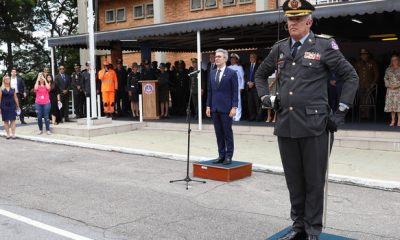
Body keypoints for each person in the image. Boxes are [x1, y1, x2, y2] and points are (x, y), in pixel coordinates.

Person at [254, 0, 358, 239]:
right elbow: (260, 75)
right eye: (290, 19)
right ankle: (298, 225)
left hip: (315, 126)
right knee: (294, 181)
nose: (293, 23)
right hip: (286, 124)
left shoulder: (323, 46)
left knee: (313, 182)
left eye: (298, 19)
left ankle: (313, 229)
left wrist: (340, 112)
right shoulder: (280, 48)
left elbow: (351, 77)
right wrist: (266, 98)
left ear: (309, 21)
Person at [206, 49, 238, 165]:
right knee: (218, 133)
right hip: (215, 108)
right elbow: (210, 91)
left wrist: (234, 107)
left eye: (219, 56)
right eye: (216, 57)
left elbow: (235, 92)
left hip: (226, 108)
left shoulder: (231, 73)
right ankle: (221, 155)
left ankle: (228, 156)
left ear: (225, 58)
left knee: (227, 133)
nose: (216, 58)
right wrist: (208, 106)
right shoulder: (212, 73)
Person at [354, 48, 379, 119]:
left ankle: (367, 115)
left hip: (369, 85)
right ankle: (362, 114)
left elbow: (376, 74)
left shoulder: (372, 63)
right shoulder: (357, 63)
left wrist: (373, 83)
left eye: (365, 54)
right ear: (360, 56)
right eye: (362, 54)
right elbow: (354, 74)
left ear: (368, 55)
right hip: (360, 84)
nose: (364, 56)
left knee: (368, 99)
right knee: (361, 98)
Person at [0, 75, 21, 139]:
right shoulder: (1, 89)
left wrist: (18, 106)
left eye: (8, 79)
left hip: (12, 106)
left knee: (13, 120)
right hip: (4, 106)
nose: (7, 80)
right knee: (6, 121)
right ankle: (8, 134)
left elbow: (15, 98)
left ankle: (13, 134)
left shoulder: (13, 88)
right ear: (4, 80)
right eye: (6, 79)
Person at [384, 54, 400, 127]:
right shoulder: (388, 69)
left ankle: (399, 121)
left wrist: (397, 85)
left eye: (396, 59)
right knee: (392, 106)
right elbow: (385, 78)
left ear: (398, 60)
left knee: (398, 106)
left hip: (398, 89)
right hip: (390, 89)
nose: (394, 61)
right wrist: (389, 85)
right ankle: (393, 120)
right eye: (393, 60)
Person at [228, 53, 245, 121]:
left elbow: (242, 78)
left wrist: (241, 87)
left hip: (237, 87)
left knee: (237, 102)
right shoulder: (228, 68)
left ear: (236, 60)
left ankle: (237, 117)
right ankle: (231, 116)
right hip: (229, 88)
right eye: (231, 59)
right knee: (230, 102)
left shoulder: (239, 68)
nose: (232, 60)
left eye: (233, 59)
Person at [245, 53, 261, 121]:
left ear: (255, 58)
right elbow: (245, 76)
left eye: (252, 57)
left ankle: (258, 117)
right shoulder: (247, 66)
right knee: (250, 103)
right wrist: (248, 82)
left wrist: (253, 83)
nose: (251, 58)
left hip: (256, 87)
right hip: (249, 87)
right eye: (250, 57)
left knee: (257, 103)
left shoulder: (259, 66)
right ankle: (252, 116)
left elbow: (259, 75)